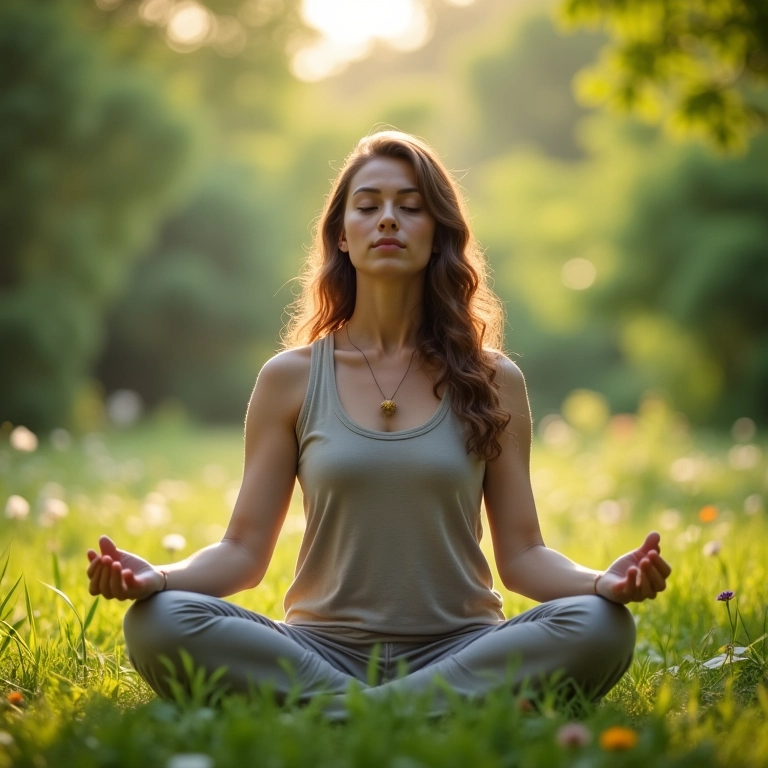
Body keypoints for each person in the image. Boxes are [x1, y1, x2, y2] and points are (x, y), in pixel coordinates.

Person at [86, 130, 671, 715]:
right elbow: (241, 551)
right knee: (158, 621)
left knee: (601, 625)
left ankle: (348, 713)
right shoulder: (289, 378)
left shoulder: (494, 379)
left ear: (437, 232)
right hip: (319, 650)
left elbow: (522, 556)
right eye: (368, 206)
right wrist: (158, 578)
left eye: (410, 207)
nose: (388, 219)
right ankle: (417, 710)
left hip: (463, 647)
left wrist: (602, 584)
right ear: (342, 235)